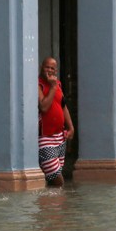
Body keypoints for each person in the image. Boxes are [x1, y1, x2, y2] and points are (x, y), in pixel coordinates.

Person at [38, 57, 74, 187]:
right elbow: (44, 107)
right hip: (45, 137)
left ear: (56, 70)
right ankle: (60, 202)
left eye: (52, 68)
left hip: (59, 136)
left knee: (54, 175)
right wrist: (52, 87)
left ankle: (50, 204)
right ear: (41, 67)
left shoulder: (58, 84)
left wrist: (71, 127)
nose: (49, 70)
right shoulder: (38, 84)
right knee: (57, 178)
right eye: (47, 67)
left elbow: (63, 106)